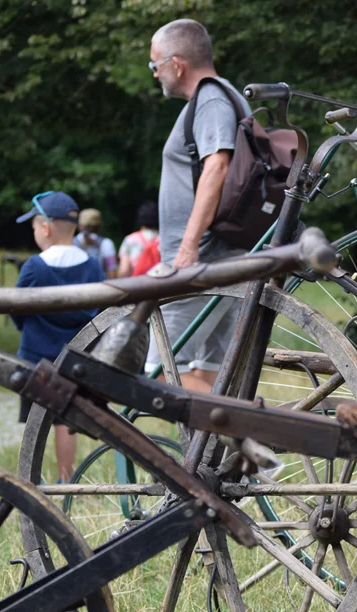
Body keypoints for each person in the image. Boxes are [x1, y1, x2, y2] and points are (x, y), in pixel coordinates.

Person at [146, 18, 250, 391]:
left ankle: (250, 433)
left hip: (204, 259)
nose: (155, 74)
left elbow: (217, 167)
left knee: (159, 369)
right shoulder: (226, 96)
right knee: (206, 370)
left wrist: (187, 249)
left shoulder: (210, 101)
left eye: (155, 65)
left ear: (177, 64)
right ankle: (209, 451)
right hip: (224, 255)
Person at [13, 191, 104, 483]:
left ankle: (32, 478)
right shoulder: (92, 265)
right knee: (65, 419)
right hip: (77, 358)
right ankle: (66, 479)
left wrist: (23, 326)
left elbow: (15, 308)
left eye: (34, 226)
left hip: (36, 356)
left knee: (35, 419)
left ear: (46, 227)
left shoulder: (34, 267)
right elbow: (103, 312)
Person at [119, 201, 160, 277]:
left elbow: (124, 271)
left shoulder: (130, 240)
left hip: (137, 284)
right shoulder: (163, 240)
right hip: (161, 284)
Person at [73, 208, 118, 277]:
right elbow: (112, 273)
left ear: (79, 225)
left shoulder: (71, 242)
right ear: (99, 226)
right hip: (99, 286)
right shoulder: (106, 243)